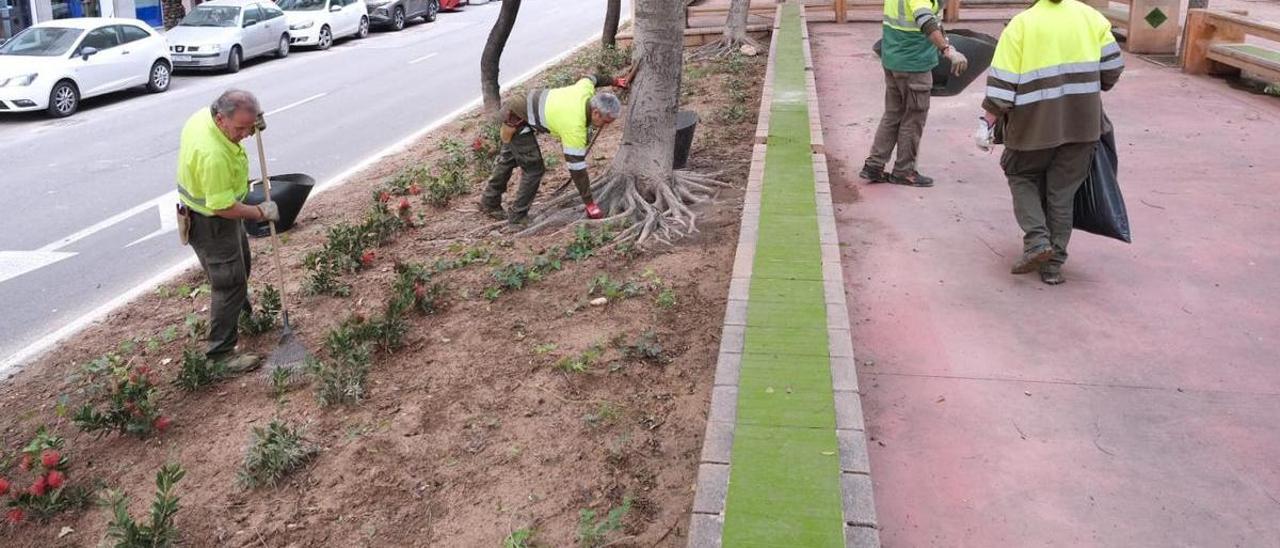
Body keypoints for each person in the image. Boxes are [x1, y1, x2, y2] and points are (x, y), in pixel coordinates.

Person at [975, 0, 1124, 285]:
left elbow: (1001, 89)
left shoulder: (1021, 25)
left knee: (1021, 175)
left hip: (1032, 129)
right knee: (1062, 194)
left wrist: (986, 123)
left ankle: (1037, 241)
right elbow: (1113, 68)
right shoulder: (1091, 18)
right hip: (1082, 126)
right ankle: (1053, 266)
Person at [176, 89, 279, 371]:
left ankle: (241, 316)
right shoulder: (213, 155)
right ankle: (220, 356)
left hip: (216, 215)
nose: (246, 134)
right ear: (221, 119)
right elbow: (222, 206)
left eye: (251, 126)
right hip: (212, 222)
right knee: (229, 282)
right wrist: (260, 211)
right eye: (241, 128)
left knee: (241, 268)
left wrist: (252, 122)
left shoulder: (204, 117)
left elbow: (242, 123)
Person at [480, 72, 629, 225]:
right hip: (517, 118)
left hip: (518, 104)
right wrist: (589, 203)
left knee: (509, 159)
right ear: (596, 113)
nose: (606, 125)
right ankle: (518, 218)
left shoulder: (585, 91)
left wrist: (616, 81)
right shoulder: (574, 126)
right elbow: (577, 169)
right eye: (606, 121)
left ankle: (489, 201)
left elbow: (593, 78)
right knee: (534, 169)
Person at [858, 0, 968, 188]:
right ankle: (904, 171)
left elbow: (930, 19)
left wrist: (945, 41)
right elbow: (925, 20)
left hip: (893, 58)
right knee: (914, 117)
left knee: (893, 114)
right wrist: (947, 50)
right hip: (913, 65)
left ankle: (874, 165)